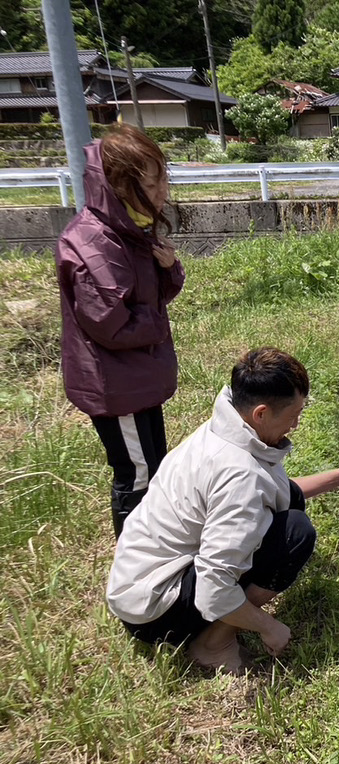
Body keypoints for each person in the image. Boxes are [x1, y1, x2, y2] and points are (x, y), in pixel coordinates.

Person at [106, 348, 339, 672]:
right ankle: (213, 645)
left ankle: (217, 631)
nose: (297, 424)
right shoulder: (240, 476)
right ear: (261, 413)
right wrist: (268, 626)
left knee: (288, 503)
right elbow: (213, 589)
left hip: (138, 584)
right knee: (294, 534)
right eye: (294, 415)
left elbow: (274, 490)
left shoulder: (229, 425)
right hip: (155, 611)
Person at [56, 124, 184, 537]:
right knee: (137, 475)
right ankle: (135, 576)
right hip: (116, 383)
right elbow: (113, 326)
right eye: (152, 181)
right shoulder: (93, 244)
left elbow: (153, 297)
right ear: (117, 185)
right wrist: (157, 324)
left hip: (137, 377)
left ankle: (156, 552)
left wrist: (169, 268)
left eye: (163, 175)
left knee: (154, 466)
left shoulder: (130, 230)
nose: (163, 189)